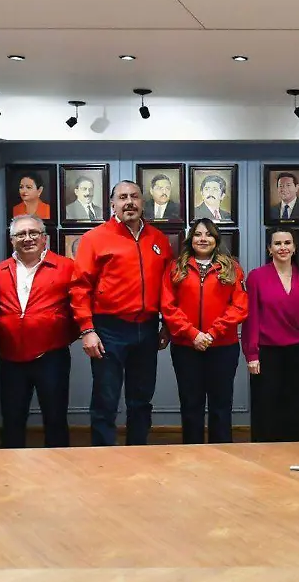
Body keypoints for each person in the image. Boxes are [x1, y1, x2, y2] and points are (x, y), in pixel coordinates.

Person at [71, 180, 173, 446]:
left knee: (141, 399)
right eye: (123, 197)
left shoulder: (158, 240)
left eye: (135, 197)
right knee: (106, 399)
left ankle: (138, 452)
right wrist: (87, 329)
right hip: (108, 329)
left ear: (142, 202)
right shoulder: (95, 239)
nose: (129, 202)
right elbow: (80, 287)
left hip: (148, 328)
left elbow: (168, 287)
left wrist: (168, 325)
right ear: (112, 203)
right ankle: (104, 459)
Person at [0, 214, 77, 448]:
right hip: (10, 357)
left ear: (44, 239)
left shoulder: (66, 267)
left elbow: (79, 305)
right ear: (12, 240)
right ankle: (10, 473)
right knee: (12, 419)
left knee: (55, 418)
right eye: (20, 234)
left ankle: (58, 474)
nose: (27, 238)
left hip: (52, 357)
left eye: (33, 233)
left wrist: (60, 332)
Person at [161, 218, 248, 444]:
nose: (203, 239)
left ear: (216, 239)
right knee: (191, 404)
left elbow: (239, 306)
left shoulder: (232, 268)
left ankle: (222, 457)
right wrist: (193, 334)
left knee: (221, 405)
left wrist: (211, 333)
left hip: (222, 347)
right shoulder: (175, 267)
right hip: (186, 348)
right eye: (198, 234)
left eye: (208, 234)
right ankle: (193, 456)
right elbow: (168, 307)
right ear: (191, 239)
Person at [243, 229, 299, 442]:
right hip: (267, 351)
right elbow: (252, 317)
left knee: (296, 405)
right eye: (277, 243)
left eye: (287, 243)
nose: (282, 247)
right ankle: (264, 455)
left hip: (298, 350)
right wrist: (252, 354)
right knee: (266, 406)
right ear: (270, 249)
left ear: (294, 248)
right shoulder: (257, 276)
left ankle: (294, 453)